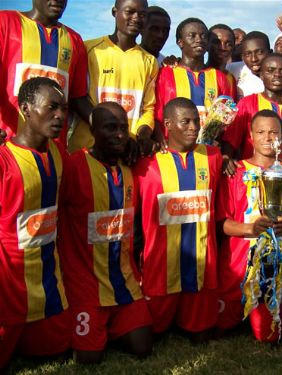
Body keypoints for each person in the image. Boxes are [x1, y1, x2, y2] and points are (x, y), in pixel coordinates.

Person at [58, 102, 152, 363]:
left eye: (124, 127)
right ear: (93, 129)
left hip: (125, 281)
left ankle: (112, 324)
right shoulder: (73, 165)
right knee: (89, 358)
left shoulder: (130, 165)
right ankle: (94, 326)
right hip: (85, 285)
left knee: (143, 348)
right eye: (111, 128)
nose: (120, 135)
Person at [216, 110, 282, 342]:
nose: (268, 138)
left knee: (268, 337)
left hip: (274, 268)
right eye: (261, 132)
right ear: (250, 135)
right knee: (217, 328)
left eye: (274, 132)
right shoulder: (235, 173)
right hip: (237, 266)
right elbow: (221, 223)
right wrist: (251, 229)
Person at [133, 97, 222, 342]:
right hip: (159, 271)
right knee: (152, 336)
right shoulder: (145, 163)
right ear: (168, 124)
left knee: (201, 337)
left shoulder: (213, 156)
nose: (194, 127)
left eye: (196, 121)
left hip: (202, 269)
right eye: (186, 122)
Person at [0, 77, 70, 370]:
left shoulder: (58, 153)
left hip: (48, 283)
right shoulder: (4, 159)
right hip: (8, 283)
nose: (60, 116)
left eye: (63, 108)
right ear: (26, 109)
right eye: (51, 107)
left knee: (60, 351)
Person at [69, 0, 158, 156]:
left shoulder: (149, 61)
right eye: (130, 12)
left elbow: (148, 108)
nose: (136, 18)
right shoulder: (89, 49)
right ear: (114, 12)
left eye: (142, 14)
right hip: (87, 148)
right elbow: (78, 97)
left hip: (126, 150)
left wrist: (141, 135)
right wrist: (105, 130)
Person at [0, 0, 89, 146]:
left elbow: (78, 98)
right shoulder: (5, 22)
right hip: (7, 147)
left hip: (54, 153)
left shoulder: (75, 40)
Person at [154, 18, 233, 141]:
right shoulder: (165, 73)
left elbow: (227, 117)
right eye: (192, 36)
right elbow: (158, 113)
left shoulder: (220, 78)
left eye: (203, 36)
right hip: (173, 148)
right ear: (180, 42)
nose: (199, 40)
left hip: (207, 151)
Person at [222, 53, 282, 173]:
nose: (277, 75)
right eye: (270, 70)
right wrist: (226, 157)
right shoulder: (248, 103)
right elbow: (231, 139)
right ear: (261, 75)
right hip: (253, 175)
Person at [226, 31, 282, 100]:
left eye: (259, 52)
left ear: (270, 52)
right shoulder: (233, 70)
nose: (254, 59)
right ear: (242, 56)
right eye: (247, 54)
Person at [207, 24, 237, 99]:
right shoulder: (197, 74)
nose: (222, 48)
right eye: (216, 42)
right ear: (207, 45)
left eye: (228, 44)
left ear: (233, 49)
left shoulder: (231, 78)